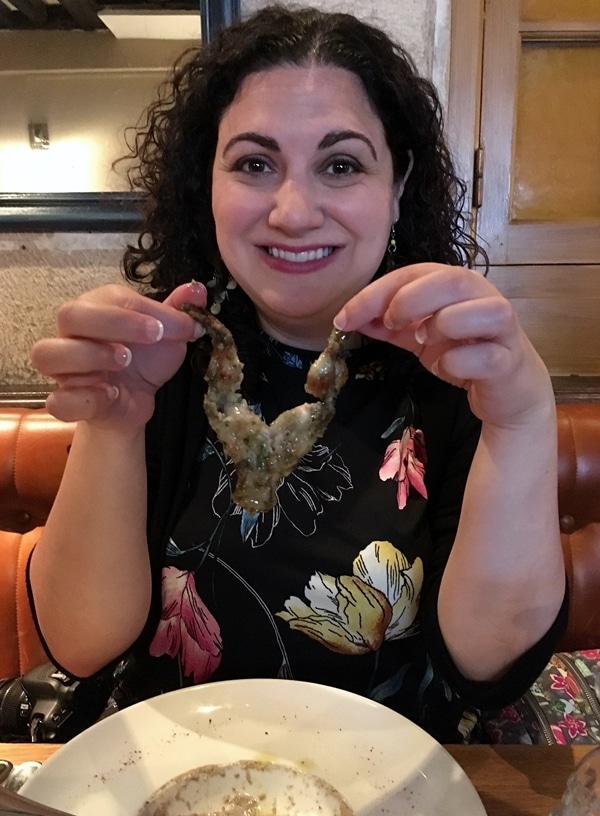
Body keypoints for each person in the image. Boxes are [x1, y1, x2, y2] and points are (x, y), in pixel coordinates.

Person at [29, 4, 567, 744]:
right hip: (177, 769)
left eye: (340, 165)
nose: (293, 210)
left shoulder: (461, 370)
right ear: (207, 183)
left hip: (397, 776)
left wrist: (524, 416)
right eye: (254, 164)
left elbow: (489, 663)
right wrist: (114, 422)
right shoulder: (159, 360)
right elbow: (80, 644)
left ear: (398, 182)